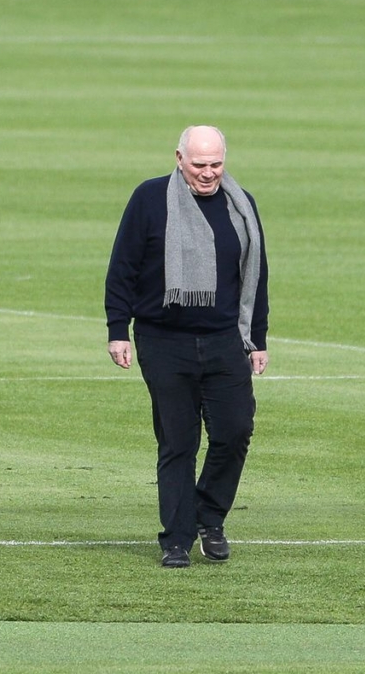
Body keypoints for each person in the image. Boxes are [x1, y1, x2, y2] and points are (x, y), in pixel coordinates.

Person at [105, 125, 270, 568]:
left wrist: (258, 339)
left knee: (235, 431)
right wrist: (117, 328)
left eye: (216, 164)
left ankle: (209, 518)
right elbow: (123, 265)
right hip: (163, 339)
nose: (208, 173)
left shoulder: (241, 205)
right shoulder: (149, 199)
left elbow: (256, 276)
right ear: (179, 158)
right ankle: (176, 539)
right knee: (178, 441)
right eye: (199, 164)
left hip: (223, 340)